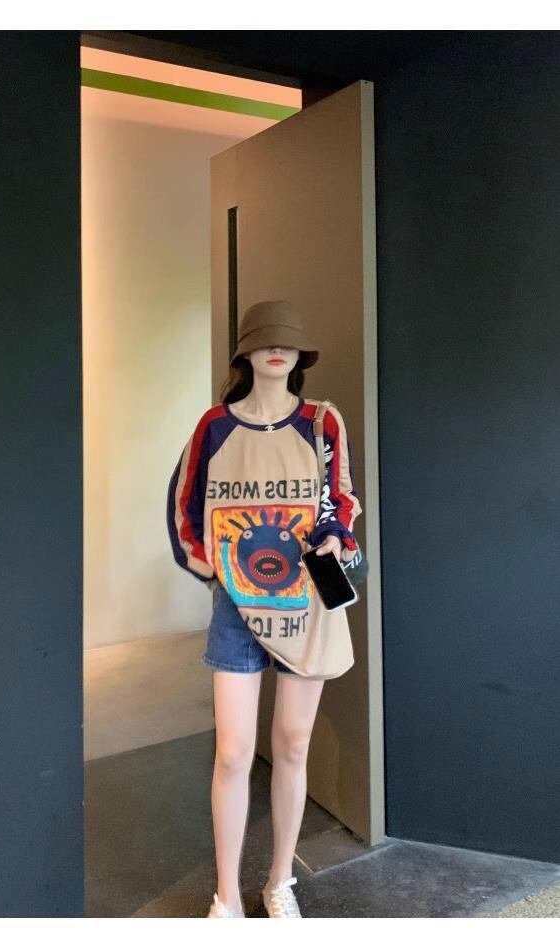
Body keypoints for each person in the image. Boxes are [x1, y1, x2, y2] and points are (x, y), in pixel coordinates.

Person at [166, 299, 362, 918]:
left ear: (300, 354)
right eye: (264, 340)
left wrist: (337, 539)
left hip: (306, 600)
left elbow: (341, 499)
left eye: (286, 341)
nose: (276, 350)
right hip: (236, 605)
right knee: (232, 752)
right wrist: (214, 569)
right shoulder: (214, 427)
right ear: (245, 352)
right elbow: (185, 506)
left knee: (294, 744)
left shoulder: (322, 423)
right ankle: (226, 896)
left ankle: (281, 882)